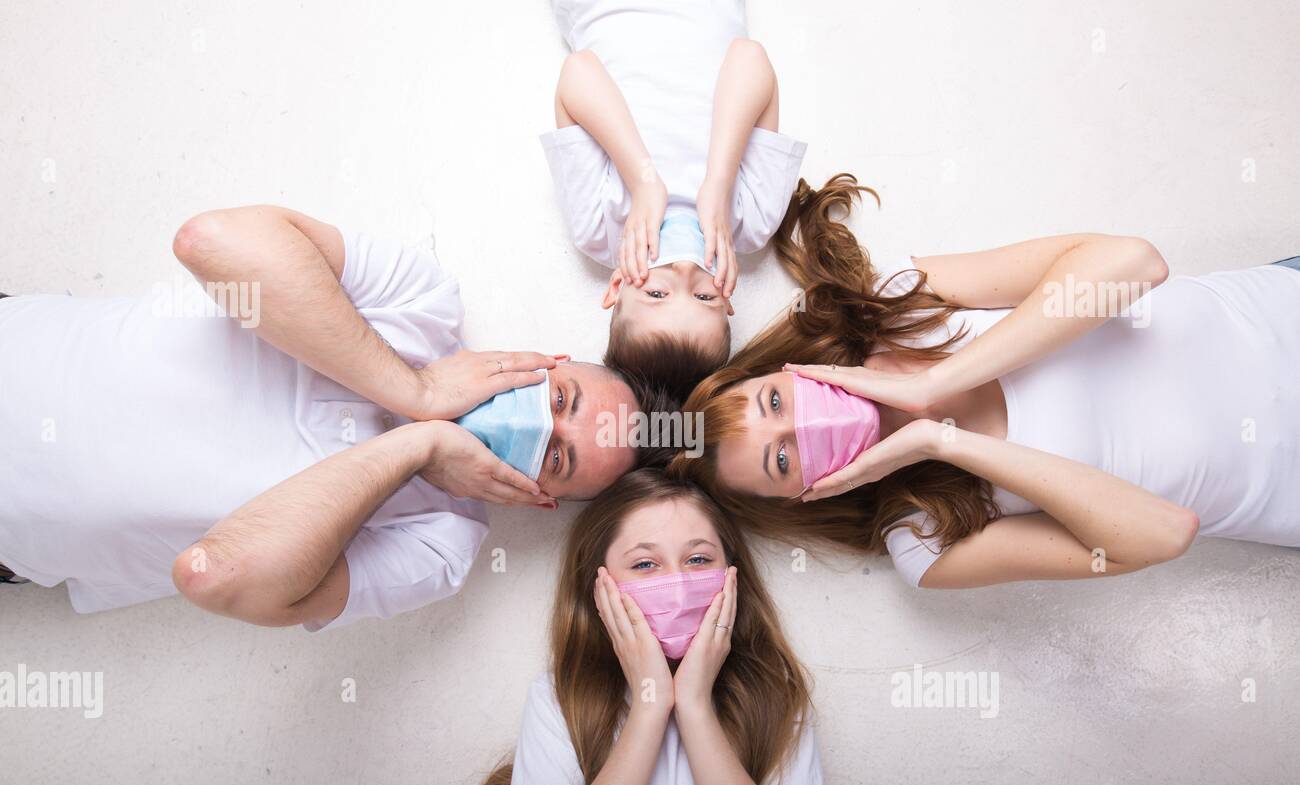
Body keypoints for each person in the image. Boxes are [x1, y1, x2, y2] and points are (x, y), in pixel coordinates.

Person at [0, 205, 669, 628]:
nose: (537, 427)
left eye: (556, 457)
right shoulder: (422, 301)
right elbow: (207, 240)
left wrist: (419, 446)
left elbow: (215, 576)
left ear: (538, 500)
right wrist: (415, 391)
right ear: (544, 363)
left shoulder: (440, 544)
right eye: (560, 401)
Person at [672, 175, 1300, 588]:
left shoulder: (900, 304)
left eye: (776, 401)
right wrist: (942, 443)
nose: (803, 424)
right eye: (783, 456)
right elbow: (1164, 534)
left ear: (786, 371)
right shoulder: (925, 543)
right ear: (805, 495)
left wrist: (934, 385)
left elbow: (1135, 263)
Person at [468, 469, 863, 785]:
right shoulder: (558, 699)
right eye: (644, 564)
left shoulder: (776, 695)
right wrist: (649, 704)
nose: (676, 585)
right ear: (599, 587)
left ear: (732, 577)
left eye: (697, 559)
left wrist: (694, 705)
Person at [544, 0, 806, 401]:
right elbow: (748, 57)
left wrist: (644, 182)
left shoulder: (600, 230)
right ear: (728, 297)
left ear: (617, 286)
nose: (685, 272)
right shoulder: (750, 223)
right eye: (704, 297)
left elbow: (579, 70)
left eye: (656, 294)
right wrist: (719, 182)